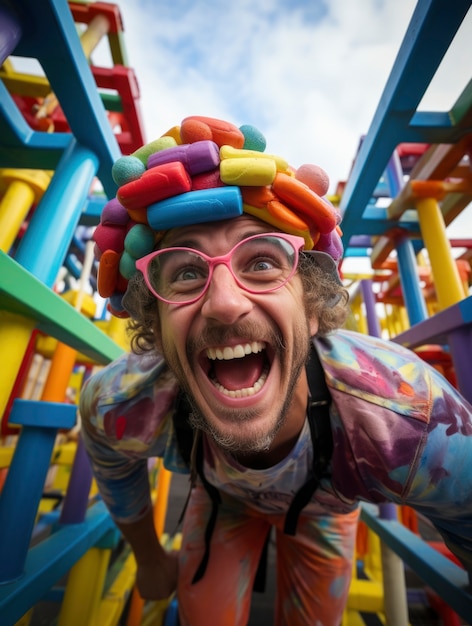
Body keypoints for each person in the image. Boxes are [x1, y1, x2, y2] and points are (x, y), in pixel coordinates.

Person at [80, 115, 472, 626]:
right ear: (155, 325)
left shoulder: (414, 424)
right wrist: (150, 559)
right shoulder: (121, 403)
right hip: (220, 500)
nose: (225, 305)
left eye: (262, 263)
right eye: (187, 272)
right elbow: (111, 461)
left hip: (324, 511)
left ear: (311, 309)